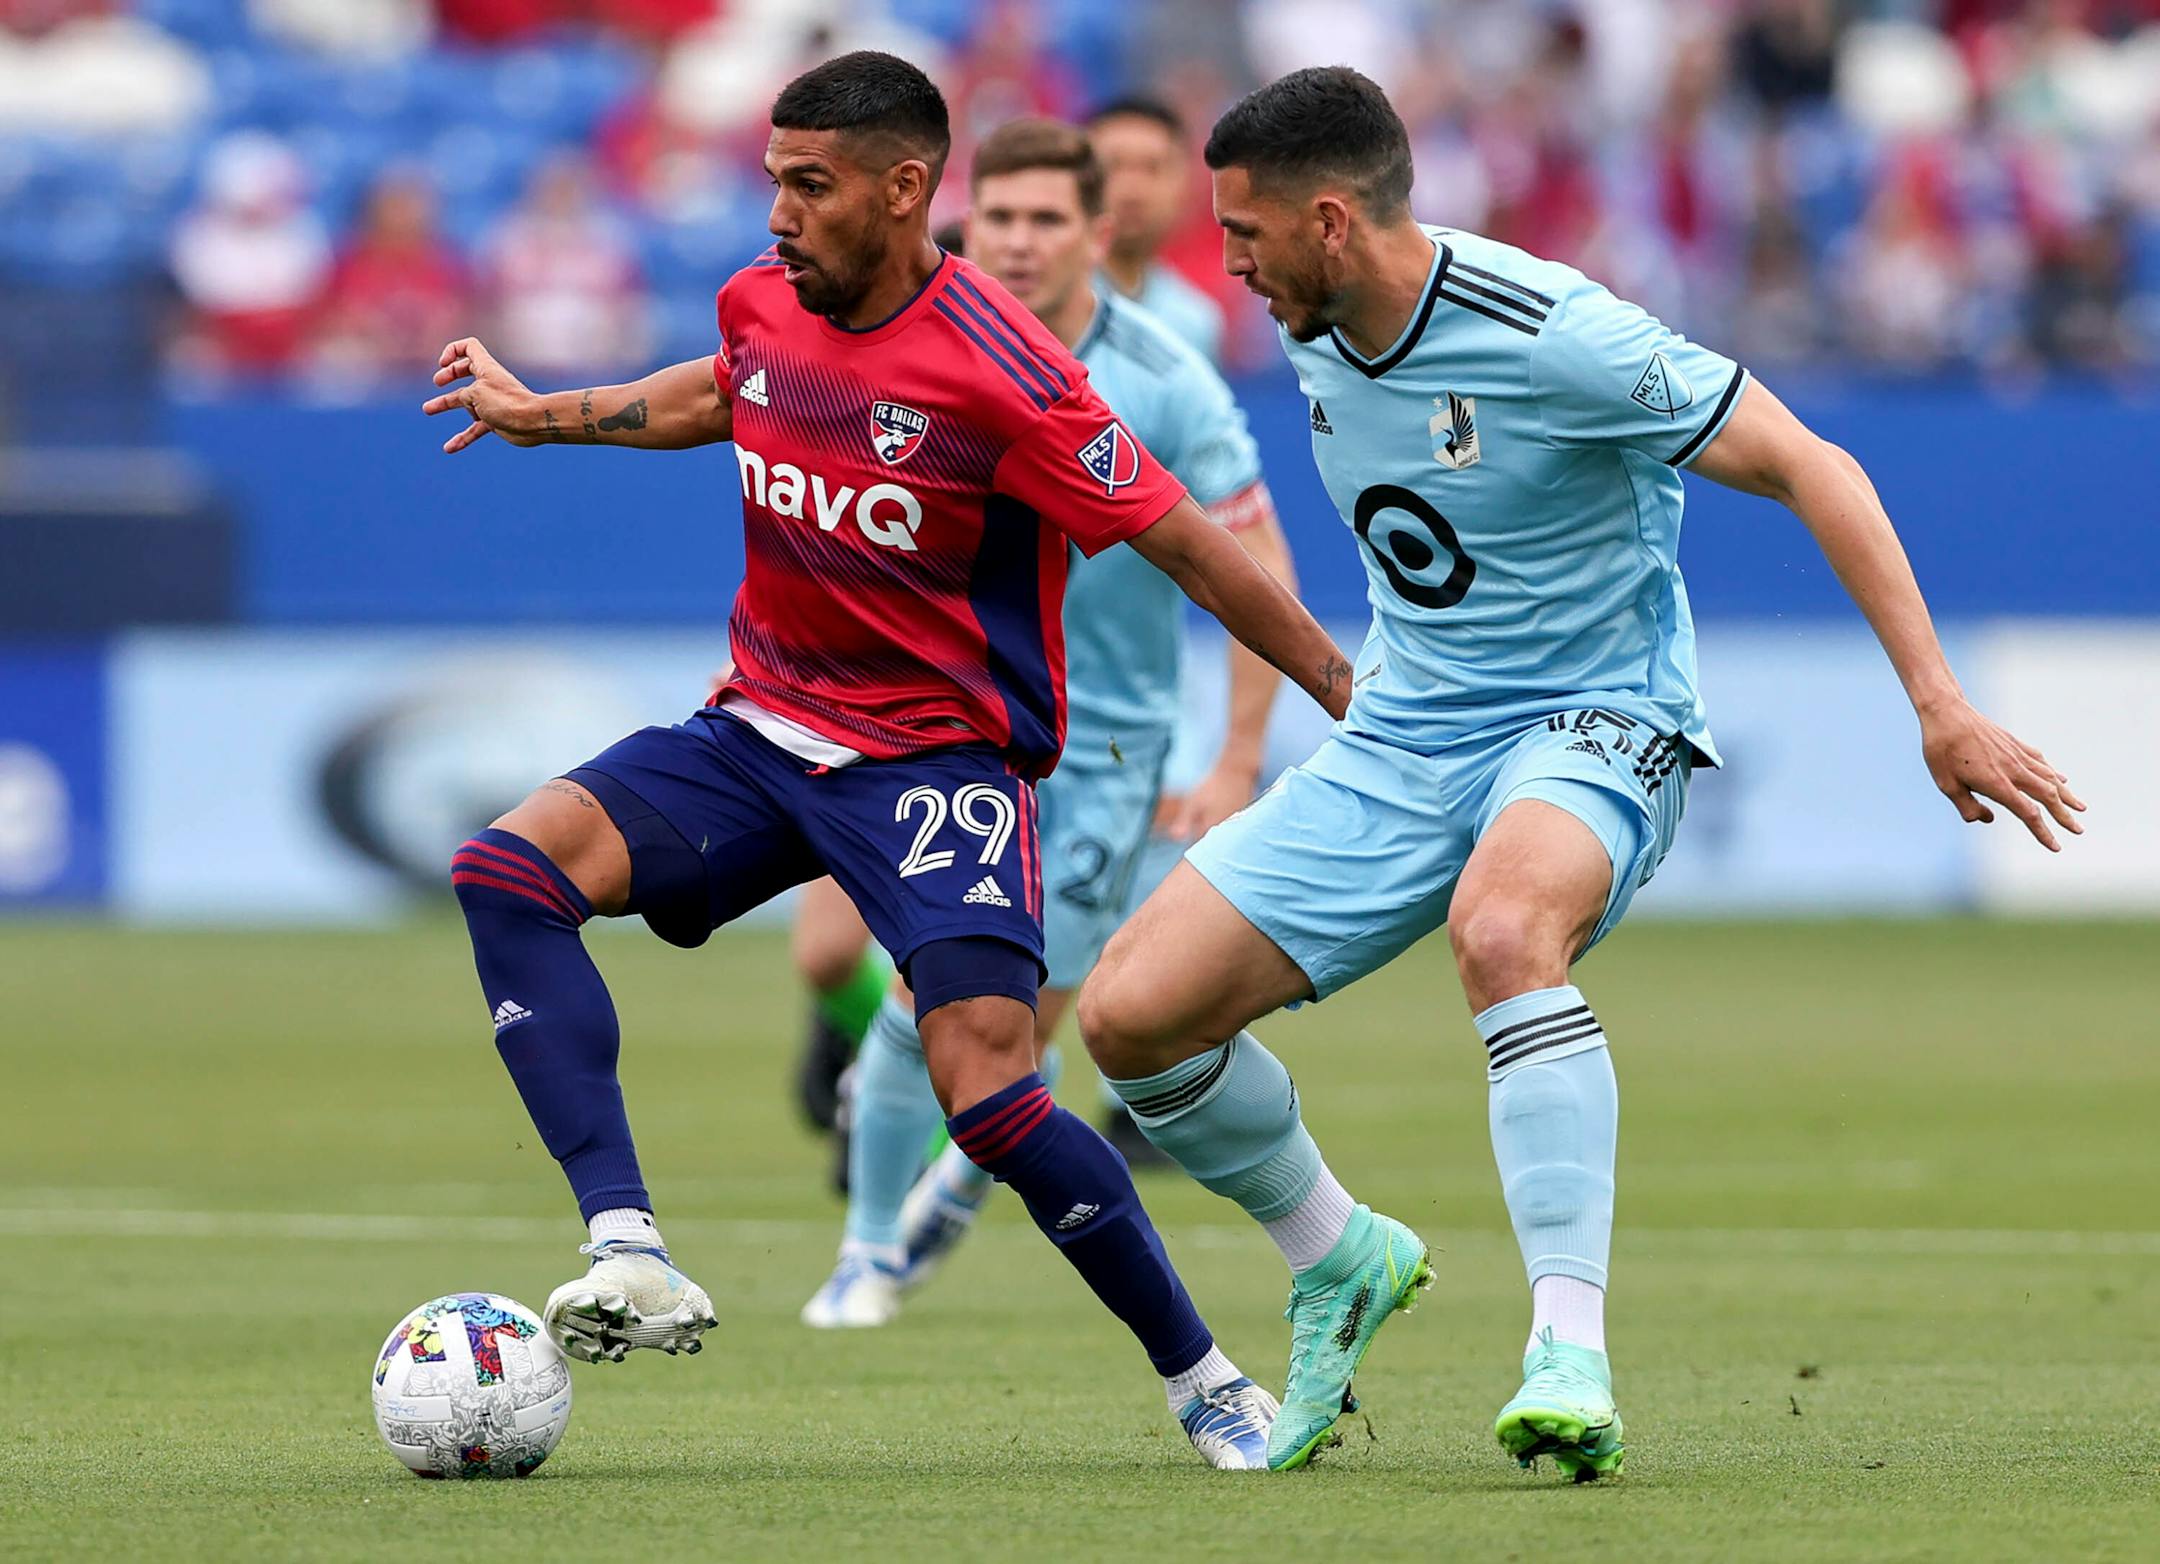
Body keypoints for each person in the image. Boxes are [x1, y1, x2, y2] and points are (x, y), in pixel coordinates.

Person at [1075, 66, 2084, 1475]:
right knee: (1130, 1021)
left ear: (1326, 223)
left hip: (1598, 713)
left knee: (1504, 930)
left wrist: (1939, 704)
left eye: (1240, 234)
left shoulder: (1552, 333)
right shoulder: (1313, 323)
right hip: (1410, 731)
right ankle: (1339, 1254)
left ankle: (1568, 1346)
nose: (1223, 262)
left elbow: (1813, 463)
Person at [423, 51, 1358, 1470]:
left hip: (936, 760)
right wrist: (540, 412)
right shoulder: (761, 298)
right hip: (758, 729)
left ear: (905, 187)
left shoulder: (1006, 373)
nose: (781, 215)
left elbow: (1184, 541)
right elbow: (722, 389)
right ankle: (628, 1247)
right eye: (773, 183)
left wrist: (1345, 688)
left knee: (988, 1090)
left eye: (810, 186)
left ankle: (1205, 1379)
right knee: (505, 870)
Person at [799, 117, 1299, 1330]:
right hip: (932, 726)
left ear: (1098, 231)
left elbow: (1252, 556)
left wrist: (1235, 755)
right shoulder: (910, 341)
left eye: (1043, 220)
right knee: (923, 1001)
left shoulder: (1166, 380)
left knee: (999, 1022)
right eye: (1000, 218)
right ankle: (869, 1245)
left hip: (1103, 746)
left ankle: (949, 1190)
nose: (1016, 242)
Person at [1087, 95, 1226, 365]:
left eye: (1153, 168)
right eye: (1113, 166)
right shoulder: (1047, 299)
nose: (1132, 190)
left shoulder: (1196, 322)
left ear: (1185, 183)